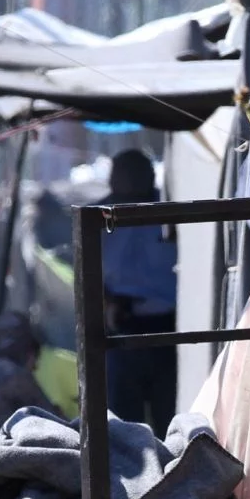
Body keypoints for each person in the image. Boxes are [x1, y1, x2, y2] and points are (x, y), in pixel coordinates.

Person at [97, 149, 176, 433]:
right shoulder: (97, 217)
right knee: (124, 426)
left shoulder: (170, 211)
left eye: (134, 174)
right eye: (120, 174)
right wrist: (108, 301)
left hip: (170, 329)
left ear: (150, 176)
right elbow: (85, 272)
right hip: (123, 328)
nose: (125, 182)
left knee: (171, 416)